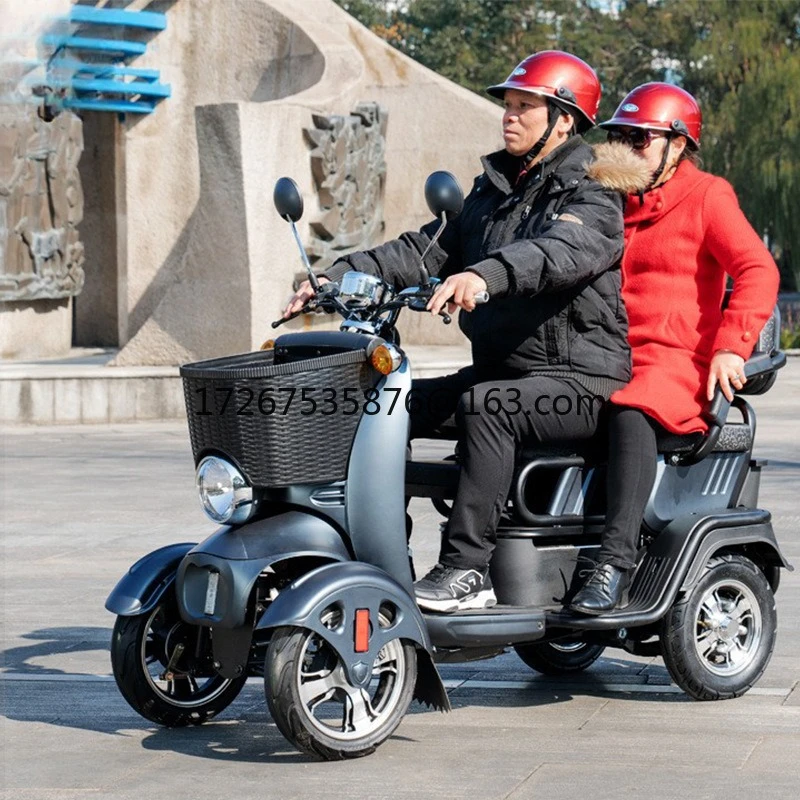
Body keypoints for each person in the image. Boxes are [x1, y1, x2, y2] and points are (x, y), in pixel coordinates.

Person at [285, 51, 647, 612]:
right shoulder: (494, 188)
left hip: (581, 381)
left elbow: (556, 253)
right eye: (508, 105)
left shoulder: (593, 193)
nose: (510, 116)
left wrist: (484, 275)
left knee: (488, 406)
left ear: (564, 120)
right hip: (505, 372)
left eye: (526, 107)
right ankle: (374, 554)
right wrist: (337, 274)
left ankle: (465, 570)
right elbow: (423, 249)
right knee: (387, 403)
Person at [569, 83, 781, 614]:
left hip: (672, 360)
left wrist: (731, 347)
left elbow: (758, 270)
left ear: (678, 144)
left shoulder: (708, 195)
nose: (627, 148)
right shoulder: (607, 198)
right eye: (620, 137)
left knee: (632, 407)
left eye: (640, 138)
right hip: (603, 351)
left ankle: (614, 564)